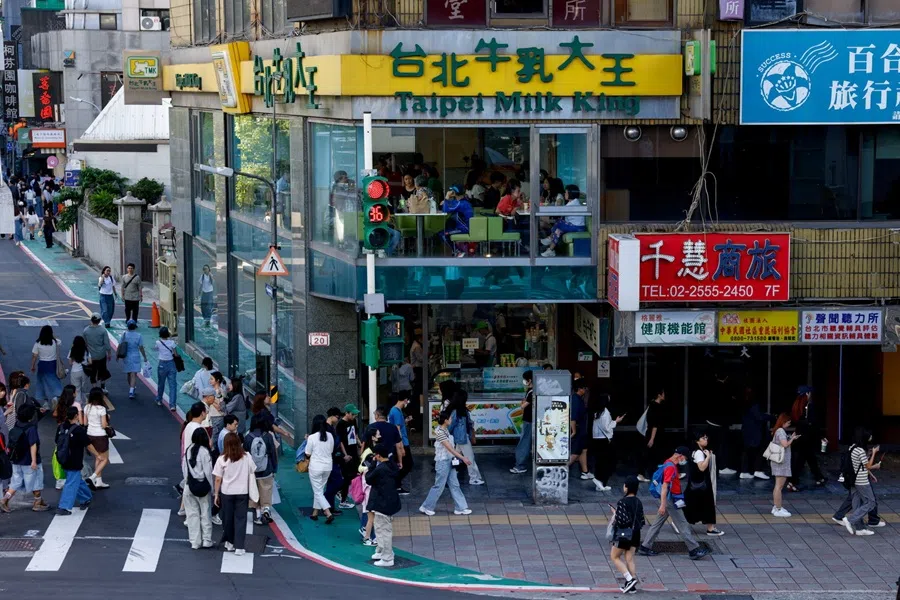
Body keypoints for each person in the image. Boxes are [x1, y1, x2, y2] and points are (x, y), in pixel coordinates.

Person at [638, 446, 710, 560]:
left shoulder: (668, 463)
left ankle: (645, 547)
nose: (684, 461)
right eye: (685, 458)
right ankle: (694, 549)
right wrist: (663, 504)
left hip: (668, 500)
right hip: (670, 501)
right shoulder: (671, 467)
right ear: (680, 456)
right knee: (682, 524)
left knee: (657, 524)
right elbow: (665, 487)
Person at [418, 410, 472, 516]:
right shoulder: (440, 432)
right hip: (442, 463)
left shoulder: (445, 430)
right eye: (450, 418)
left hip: (448, 461)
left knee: (455, 485)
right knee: (439, 486)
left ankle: (461, 507)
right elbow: (450, 448)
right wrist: (463, 458)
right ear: (446, 420)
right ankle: (426, 506)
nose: (451, 420)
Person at [213, 432, 258, 555]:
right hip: (242, 492)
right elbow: (253, 469)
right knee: (240, 519)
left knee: (227, 518)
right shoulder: (246, 456)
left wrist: (216, 494)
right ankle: (239, 547)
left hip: (227, 492)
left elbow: (218, 479)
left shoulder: (222, 459)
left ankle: (230, 542)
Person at [0, 404, 51, 512]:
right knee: (36, 481)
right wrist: (33, 461)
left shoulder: (17, 424)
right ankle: (37, 502)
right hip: (28, 460)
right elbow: (33, 445)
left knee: (16, 482)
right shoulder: (31, 428)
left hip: (17, 459)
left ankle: (4, 500)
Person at [839, 427, 881, 537]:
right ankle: (850, 520)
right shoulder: (860, 450)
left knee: (856, 504)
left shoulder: (852, 447)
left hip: (853, 480)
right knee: (871, 502)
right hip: (861, 481)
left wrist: (871, 474)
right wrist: (874, 454)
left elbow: (859, 465)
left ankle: (860, 529)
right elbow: (867, 465)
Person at [56, 406, 97, 515]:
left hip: (63, 458)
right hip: (75, 460)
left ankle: (86, 498)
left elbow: (57, 441)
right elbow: (88, 445)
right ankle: (64, 507)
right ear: (76, 416)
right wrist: (97, 455)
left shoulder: (60, 427)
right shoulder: (79, 430)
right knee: (71, 483)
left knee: (75, 480)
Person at [366, 443, 401, 568]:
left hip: (382, 503)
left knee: (383, 530)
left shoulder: (380, 469)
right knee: (381, 528)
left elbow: (368, 479)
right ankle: (381, 551)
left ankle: (387, 558)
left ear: (378, 455)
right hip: (391, 502)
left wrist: (372, 465)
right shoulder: (392, 465)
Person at [684, 431, 724, 536]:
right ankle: (710, 529)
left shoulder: (696, 451)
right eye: (703, 438)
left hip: (696, 484)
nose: (706, 439)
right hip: (702, 484)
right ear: (697, 440)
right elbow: (701, 467)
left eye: (706, 437)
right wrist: (708, 457)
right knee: (707, 505)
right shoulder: (698, 452)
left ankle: (710, 528)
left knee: (695, 505)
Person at [610, 476, 645, 594]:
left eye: (624, 485)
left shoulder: (622, 502)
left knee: (614, 557)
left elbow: (621, 521)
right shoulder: (638, 502)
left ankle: (629, 580)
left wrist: (615, 513)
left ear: (627, 487)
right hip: (636, 533)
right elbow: (642, 520)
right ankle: (633, 586)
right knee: (629, 559)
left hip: (625, 534)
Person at [183, 427, 215, 549]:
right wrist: (212, 489)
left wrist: (187, 482)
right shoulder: (205, 452)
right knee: (205, 513)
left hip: (190, 486)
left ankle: (195, 542)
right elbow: (208, 472)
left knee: (192, 514)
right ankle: (206, 539)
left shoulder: (188, 450)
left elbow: (184, 469)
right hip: (203, 486)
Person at [788, 386, 826, 491]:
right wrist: (821, 437)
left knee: (810, 458)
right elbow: (814, 425)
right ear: (807, 394)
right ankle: (792, 482)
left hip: (800, 438)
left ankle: (819, 477)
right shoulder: (810, 407)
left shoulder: (797, 407)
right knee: (802, 461)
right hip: (807, 438)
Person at [244, 413, 278, 525]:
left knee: (254, 493)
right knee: (266, 491)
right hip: (266, 469)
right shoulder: (268, 436)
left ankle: (258, 515)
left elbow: (245, 454)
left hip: (252, 471)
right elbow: (273, 453)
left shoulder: (248, 437)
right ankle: (266, 510)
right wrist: (274, 468)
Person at [540, 185, 586, 257]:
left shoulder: (573, 204)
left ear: (571, 194)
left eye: (566, 193)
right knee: (558, 229)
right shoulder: (572, 202)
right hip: (573, 226)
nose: (565, 194)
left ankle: (550, 238)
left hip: (578, 227)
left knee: (559, 223)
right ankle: (550, 250)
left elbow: (560, 213)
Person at [449, 390, 483, 485]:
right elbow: (450, 425)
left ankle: (449, 473)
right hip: (462, 438)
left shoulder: (461, 410)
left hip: (462, 437)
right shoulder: (457, 411)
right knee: (470, 458)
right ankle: (473, 478)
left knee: (455, 457)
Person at [305, 416, 335, 523]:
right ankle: (315, 513)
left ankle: (328, 512)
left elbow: (307, 453)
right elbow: (331, 450)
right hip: (327, 466)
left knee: (318, 491)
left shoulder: (312, 437)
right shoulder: (330, 436)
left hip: (316, 467)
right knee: (320, 490)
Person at [769, 413, 799, 517]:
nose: (788, 425)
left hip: (778, 462)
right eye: (788, 423)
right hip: (781, 462)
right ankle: (778, 508)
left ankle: (776, 506)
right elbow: (785, 444)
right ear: (783, 422)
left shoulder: (777, 430)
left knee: (777, 486)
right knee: (779, 486)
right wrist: (792, 439)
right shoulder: (781, 431)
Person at [591, 393, 624, 492]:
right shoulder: (605, 412)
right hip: (603, 440)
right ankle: (599, 479)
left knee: (600, 461)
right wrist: (616, 421)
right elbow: (607, 427)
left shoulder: (597, 411)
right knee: (607, 462)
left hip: (596, 438)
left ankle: (600, 483)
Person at [739, 388, 771, 480]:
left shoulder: (744, 404)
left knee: (747, 451)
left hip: (746, 431)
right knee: (760, 450)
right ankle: (758, 470)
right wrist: (771, 417)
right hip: (754, 432)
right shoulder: (754, 404)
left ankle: (744, 471)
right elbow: (759, 417)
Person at [52, 385, 81, 490]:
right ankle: (76, 478)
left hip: (61, 432)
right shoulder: (76, 405)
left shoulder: (61, 404)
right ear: (73, 393)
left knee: (60, 454)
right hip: (73, 432)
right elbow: (81, 421)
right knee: (75, 456)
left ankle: (60, 479)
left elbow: (54, 414)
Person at [82, 387, 110, 490]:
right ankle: (92, 477)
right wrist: (108, 419)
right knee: (105, 459)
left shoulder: (87, 407)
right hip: (101, 436)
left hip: (90, 434)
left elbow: (85, 423)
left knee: (98, 457)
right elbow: (104, 425)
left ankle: (99, 481)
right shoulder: (101, 409)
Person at [30, 324, 63, 408]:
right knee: (54, 381)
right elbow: (59, 341)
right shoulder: (55, 342)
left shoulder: (38, 343)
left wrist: (32, 366)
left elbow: (34, 356)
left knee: (42, 383)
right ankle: (55, 396)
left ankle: (46, 402)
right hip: (53, 364)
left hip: (42, 364)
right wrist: (52, 336)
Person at [638, 388, 666, 482]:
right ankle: (646, 474)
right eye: (663, 393)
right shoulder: (656, 406)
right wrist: (652, 438)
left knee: (649, 454)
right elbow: (655, 424)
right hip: (654, 435)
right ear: (659, 395)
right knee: (651, 454)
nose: (664, 395)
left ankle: (644, 473)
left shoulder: (652, 404)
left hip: (651, 433)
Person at [337, 403, 361, 509]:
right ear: (347, 413)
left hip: (354, 451)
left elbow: (355, 434)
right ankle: (343, 499)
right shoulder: (340, 424)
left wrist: (360, 445)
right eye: (353, 414)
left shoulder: (353, 421)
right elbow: (340, 441)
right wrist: (345, 455)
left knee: (355, 474)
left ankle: (341, 491)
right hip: (346, 453)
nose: (354, 416)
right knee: (347, 476)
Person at [510, 370, 534, 474]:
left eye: (525, 379)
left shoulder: (532, 392)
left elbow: (523, 405)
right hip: (531, 419)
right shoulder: (532, 390)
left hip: (529, 420)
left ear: (530, 380)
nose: (524, 381)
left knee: (524, 442)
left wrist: (523, 403)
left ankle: (520, 465)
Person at [439, 185, 473, 256]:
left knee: (443, 234)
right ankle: (457, 251)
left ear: (454, 192)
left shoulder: (461, 203)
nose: (449, 192)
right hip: (464, 228)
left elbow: (445, 210)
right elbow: (451, 205)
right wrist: (446, 202)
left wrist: (447, 198)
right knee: (446, 228)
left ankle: (458, 251)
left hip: (464, 229)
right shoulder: (462, 202)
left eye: (451, 191)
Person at [389, 395, 413, 495]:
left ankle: (397, 485)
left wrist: (406, 421)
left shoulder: (395, 411)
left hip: (400, 442)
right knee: (408, 464)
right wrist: (401, 446)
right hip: (402, 442)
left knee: (401, 465)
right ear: (405, 400)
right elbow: (397, 430)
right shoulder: (396, 411)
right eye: (407, 401)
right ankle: (395, 484)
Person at [117, 320, 147, 400]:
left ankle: (132, 387)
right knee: (134, 374)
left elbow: (120, 345)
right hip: (135, 356)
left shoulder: (124, 335)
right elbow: (141, 347)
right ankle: (131, 390)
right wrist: (144, 357)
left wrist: (117, 355)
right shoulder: (139, 335)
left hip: (126, 356)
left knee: (129, 373)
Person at [568, 379, 592, 480]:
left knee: (583, 450)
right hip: (578, 430)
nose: (585, 390)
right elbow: (573, 417)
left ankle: (585, 472)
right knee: (575, 452)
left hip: (582, 430)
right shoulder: (575, 399)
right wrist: (574, 431)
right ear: (579, 389)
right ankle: (560, 470)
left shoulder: (579, 398)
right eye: (584, 388)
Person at [83, 313, 111, 390]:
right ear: (99, 321)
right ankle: (103, 387)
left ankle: (94, 388)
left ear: (91, 320)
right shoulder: (102, 330)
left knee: (92, 372)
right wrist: (109, 353)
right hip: (101, 354)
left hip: (91, 356)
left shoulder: (86, 331)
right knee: (103, 370)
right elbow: (107, 344)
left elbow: (85, 344)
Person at [155, 326, 179, 410]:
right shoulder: (172, 343)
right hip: (171, 364)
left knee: (161, 383)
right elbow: (176, 354)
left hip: (162, 364)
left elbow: (157, 349)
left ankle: (159, 399)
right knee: (172, 385)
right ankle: (172, 405)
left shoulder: (158, 342)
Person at [68, 335, 91, 404]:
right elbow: (90, 362)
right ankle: (84, 403)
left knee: (76, 389)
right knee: (83, 389)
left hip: (75, 371)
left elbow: (70, 363)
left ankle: (78, 404)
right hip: (84, 371)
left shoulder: (72, 350)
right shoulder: (86, 350)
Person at [206, 371, 228, 442]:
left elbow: (219, 407)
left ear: (217, 380)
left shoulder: (220, 392)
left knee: (215, 438)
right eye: (210, 379)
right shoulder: (213, 391)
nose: (210, 381)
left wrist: (210, 401)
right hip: (212, 416)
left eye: (212, 379)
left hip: (217, 417)